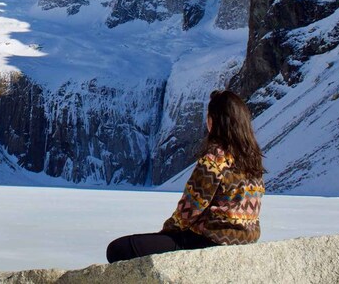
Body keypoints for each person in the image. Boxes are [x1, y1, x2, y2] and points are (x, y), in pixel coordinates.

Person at [106, 90, 265, 263]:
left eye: (209, 116)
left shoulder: (215, 160)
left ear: (215, 121)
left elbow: (189, 211)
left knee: (118, 249)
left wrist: (166, 233)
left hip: (208, 241)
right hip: (245, 240)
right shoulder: (252, 162)